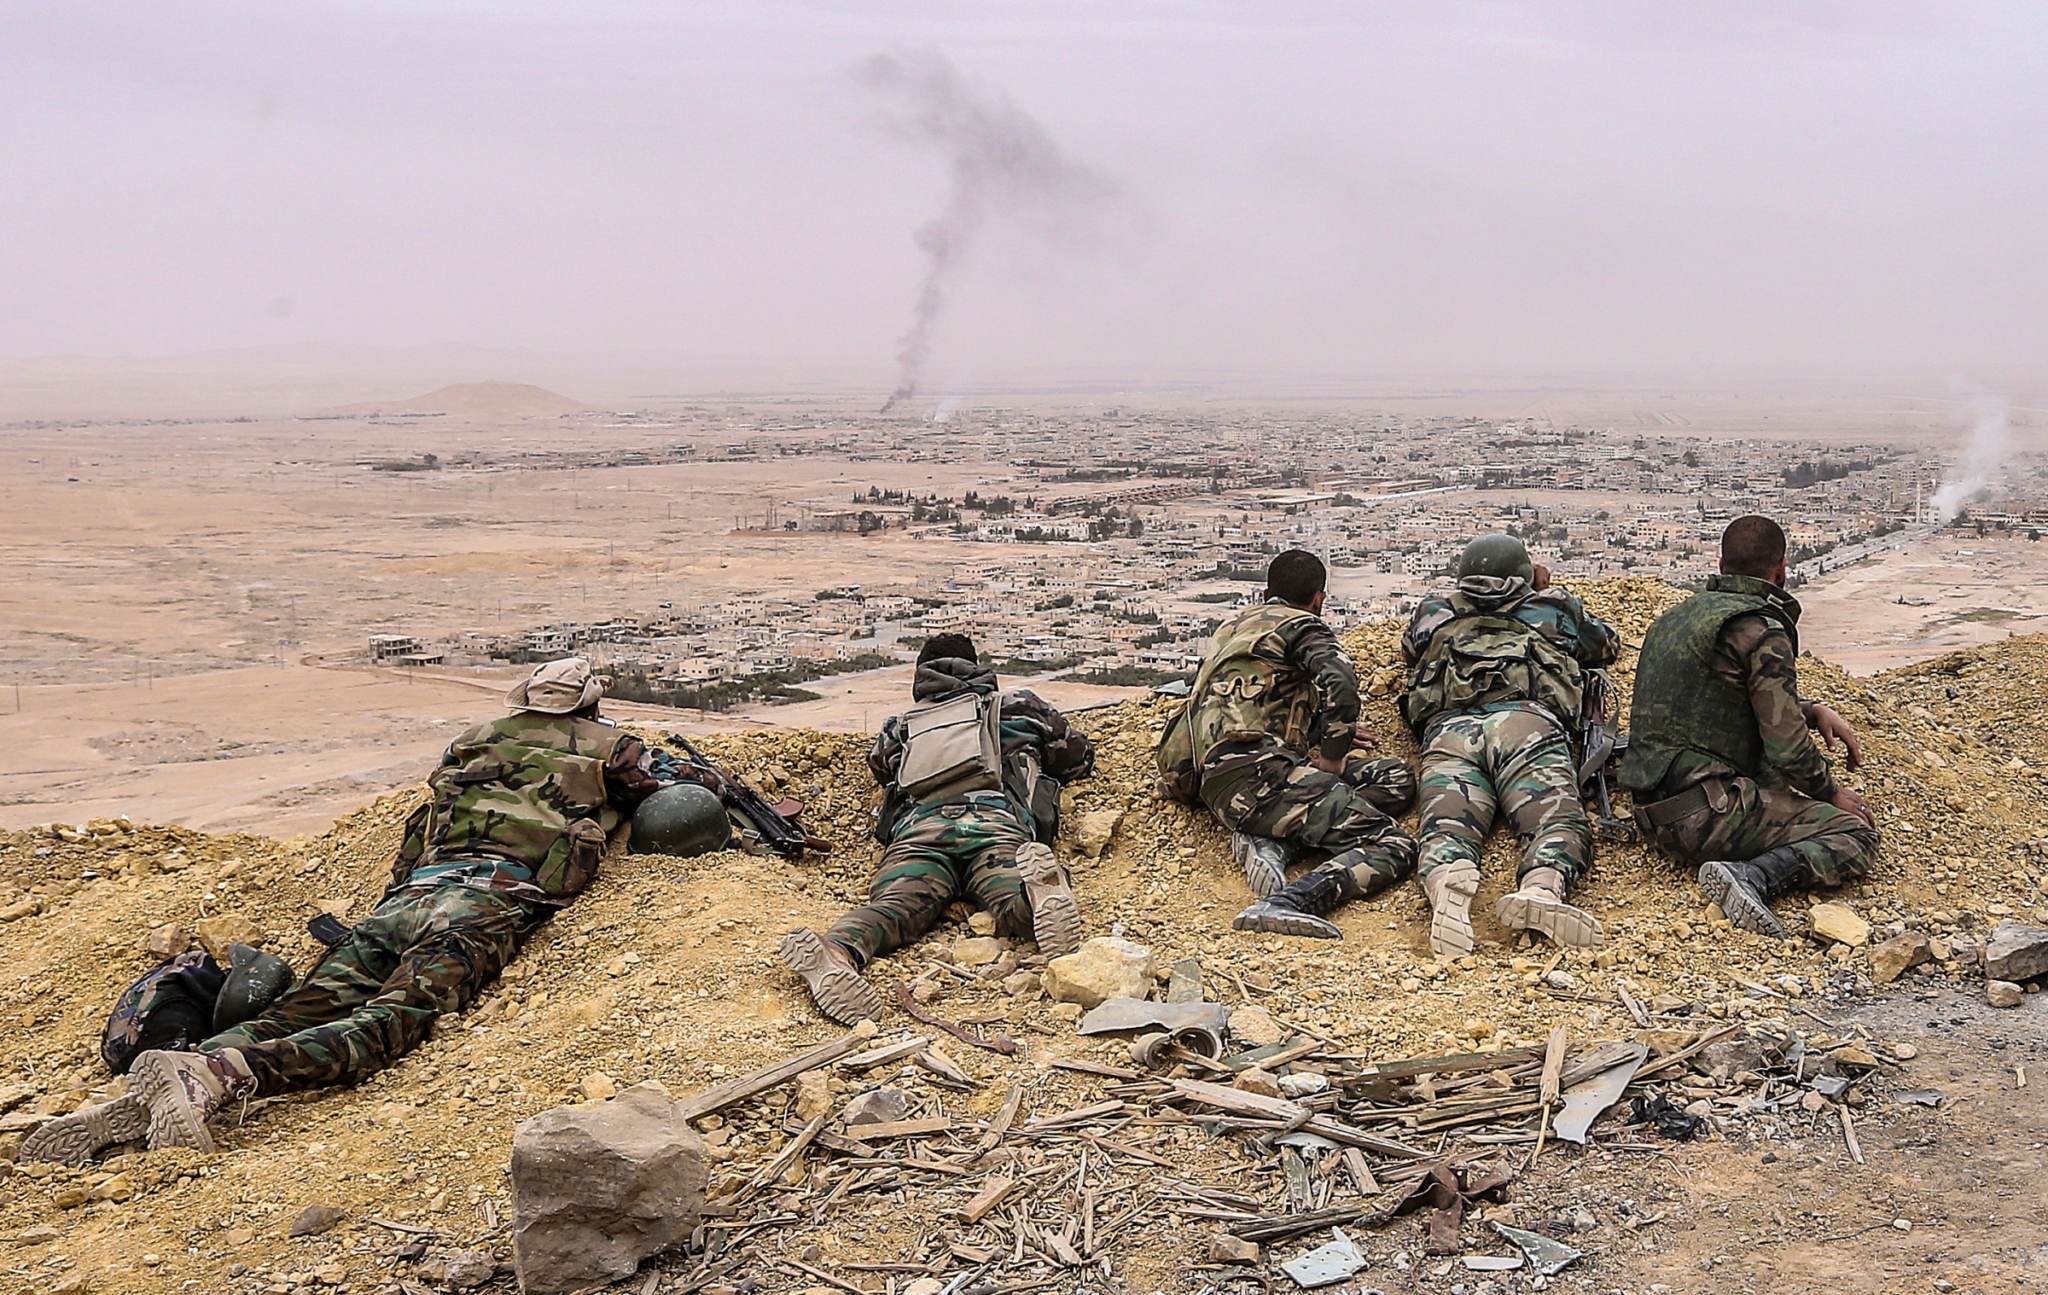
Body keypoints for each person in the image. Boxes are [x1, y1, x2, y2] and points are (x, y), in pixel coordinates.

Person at [23, 657, 664, 1164]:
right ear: (588, 703)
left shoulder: (471, 741)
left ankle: (164, 1079)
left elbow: (424, 823)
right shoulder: (612, 748)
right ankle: (219, 1075)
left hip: (408, 899)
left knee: (296, 1010)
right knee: (384, 1026)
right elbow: (676, 796)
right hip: (482, 903)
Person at [779, 633, 1096, 1023]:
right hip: (995, 825)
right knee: (1008, 900)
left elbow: (883, 770)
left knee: (893, 907)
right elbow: (1077, 758)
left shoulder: (900, 728)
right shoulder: (1020, 707)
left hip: (920, 834)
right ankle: (1035, 895)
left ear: (921, 676)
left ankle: (838, 949)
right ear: (976, 666)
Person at [1621, 516, 1877, 936]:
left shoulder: (1676, 618)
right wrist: (1830, 793)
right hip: (1704, 820)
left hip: (1652, 814)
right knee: (1854, 834)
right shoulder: (1760, 630)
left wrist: (1810, 711)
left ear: (1721, 565)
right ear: (1781, 570)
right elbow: (1788, 749)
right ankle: (1753, 877)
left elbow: (1711, 703)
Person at [1176, 549, 1418, 939]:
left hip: (1214, 777)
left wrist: (1320, 727)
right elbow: (1340, 681)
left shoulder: (1232, 629)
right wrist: (1334, 756)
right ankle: (1287, 902)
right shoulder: (1302, 626)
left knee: (1396, 778)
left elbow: (1248, 703)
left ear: (1266, 593)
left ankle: (1274, 840)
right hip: (1262, 779)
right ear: (1318, 598)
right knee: (1394, 844)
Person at [1400, 534, 1621, 958]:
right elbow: (1606, 646)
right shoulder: (1553, 608)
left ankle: (1445, 880)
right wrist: (1540, 592)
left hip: (1449, 732)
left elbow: (1410, 651)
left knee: (1445, 827)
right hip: (1526, 727)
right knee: (1556, 822)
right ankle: (1541, 887)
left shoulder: (1433, 611)